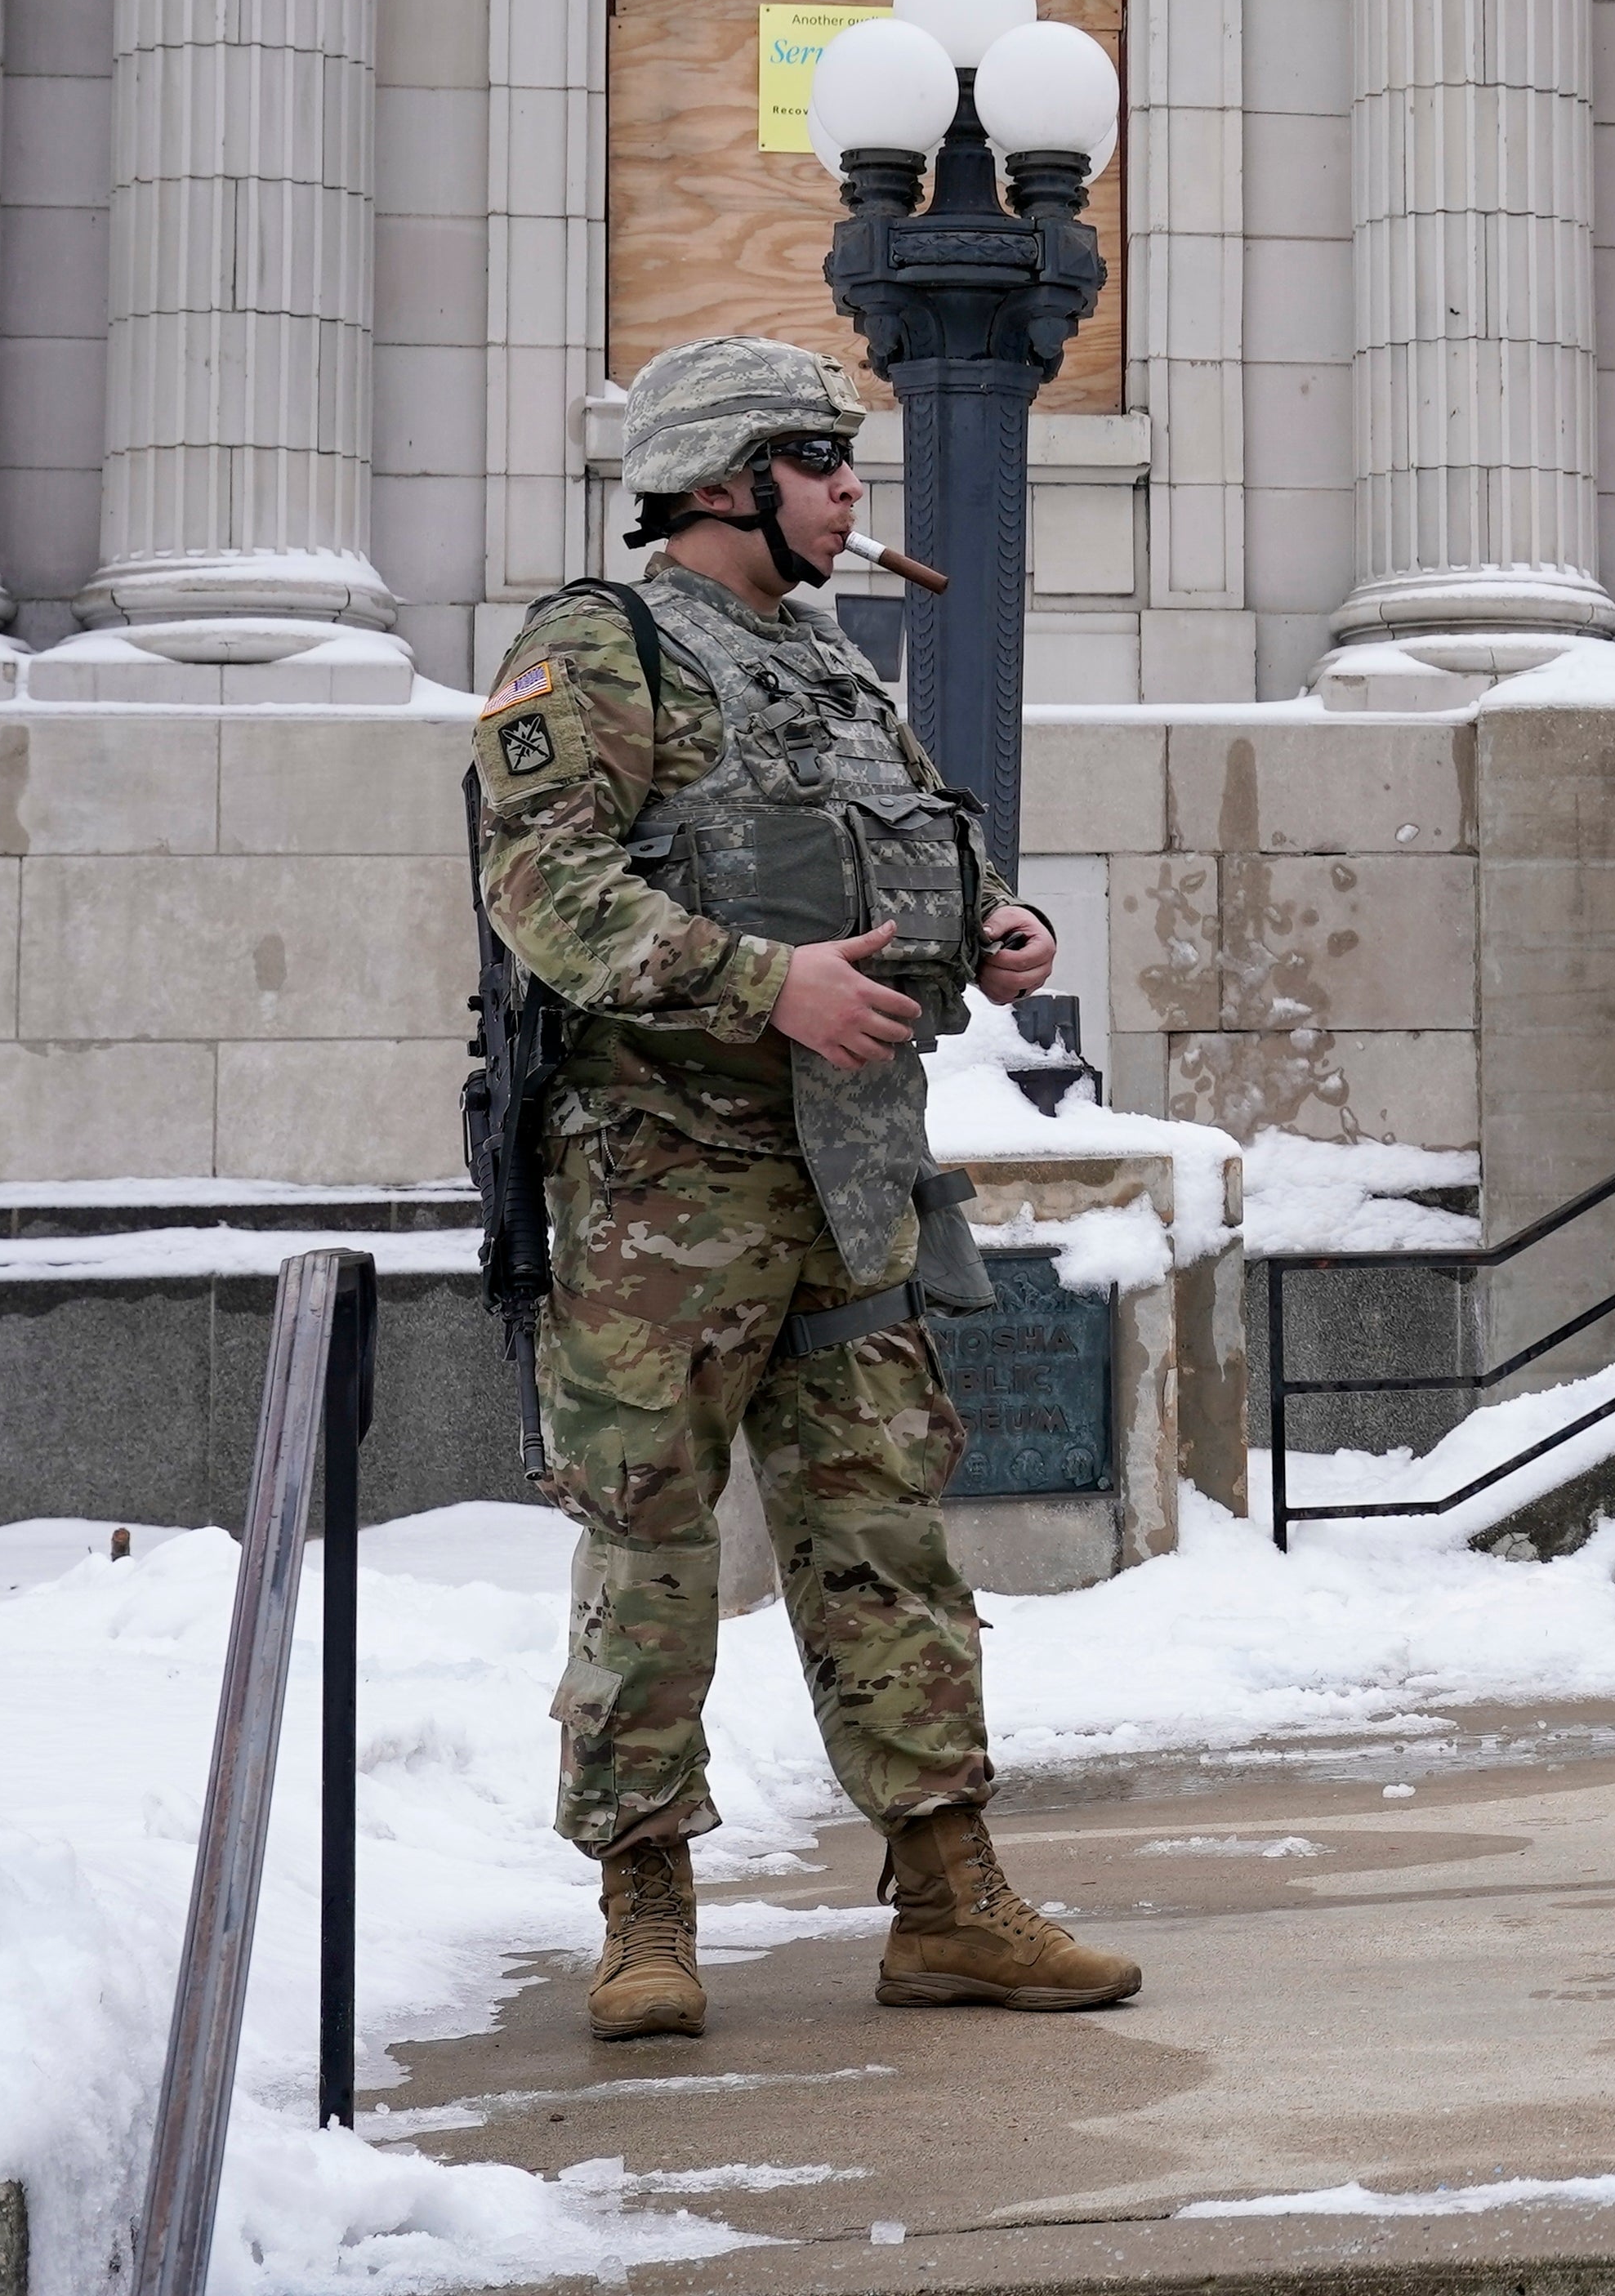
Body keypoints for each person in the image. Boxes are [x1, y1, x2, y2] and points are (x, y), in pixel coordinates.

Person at [468, 333, 1135, 2041]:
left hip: (848, 1177)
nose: (854, 492)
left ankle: (947, 1895)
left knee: (885, 1533)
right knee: (650, 1546)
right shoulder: (594, 649)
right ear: (728, 480)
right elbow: (546, 891)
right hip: (660, 1191)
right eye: (824, 462)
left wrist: (995, 924)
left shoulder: (825, 665)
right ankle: (644, 1907)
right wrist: (768, 986)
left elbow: (908, 838)